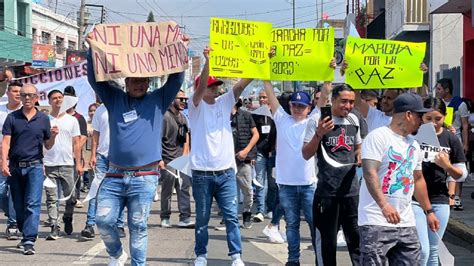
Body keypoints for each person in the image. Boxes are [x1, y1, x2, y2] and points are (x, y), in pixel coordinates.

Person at [86, 33, 186, 265]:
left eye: (143, 81)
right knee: (103, 221)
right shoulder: (114, 99)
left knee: (138, 226)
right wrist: (91, 50)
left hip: (145, 176)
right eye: (134, 80)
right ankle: (116, 253)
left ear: (149, 83)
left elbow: (176, 79)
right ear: (126, 82)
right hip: (114, 174)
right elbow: (94, 79)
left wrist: (179, 48)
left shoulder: (158, 99)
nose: (139, 84)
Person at [359, 93, 440, 264]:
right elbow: (369, 173)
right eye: (420, 116)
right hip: (376, 220)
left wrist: (429, 211)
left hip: (406, 221)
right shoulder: (378, 137)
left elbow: (417, 179)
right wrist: (384, 205)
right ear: (408, 114)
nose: (422, 121)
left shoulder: (414, 144)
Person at [190, 47, 252, 266]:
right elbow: (200, 87)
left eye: (218, 86)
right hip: (202, 174)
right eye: (212, 86)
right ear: (201, 87)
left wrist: (261, 63)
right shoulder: (194, 104)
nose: (217, 89)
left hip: (226, 172)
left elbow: (241, 85)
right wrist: (208, 62)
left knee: (231, 217)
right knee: (202, 218)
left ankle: (236, 255)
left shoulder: (225, 102)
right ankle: (201, 255)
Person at [302, 84, 362, 266]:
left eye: (351, 102)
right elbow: (305, 154)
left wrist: (359, 154)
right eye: (344, 101)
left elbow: (358, 146)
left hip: (352, 193)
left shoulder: (353, 120)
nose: (348, 106)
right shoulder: (317, 120)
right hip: (327, 194)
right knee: (327, 245)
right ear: (333, 100)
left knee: (357, 243)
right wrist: (319, 133)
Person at [264, 80, 316, 266]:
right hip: (286, 184)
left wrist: (329, 75)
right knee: (292, 225)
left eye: (301, 106)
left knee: (313, 224)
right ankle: (293, 259)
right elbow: (270, 95)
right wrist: (265, 75)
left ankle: (320, 258)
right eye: (294, 105)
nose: (297, 109)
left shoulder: (313, 120)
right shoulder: (282, 119)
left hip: (308, 184)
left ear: (309, 108)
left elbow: (325, 96)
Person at [2, 84, 58, 255]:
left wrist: (53, 136)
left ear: (36, 98)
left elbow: (47, 144)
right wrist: (3, 162)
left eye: (30, 95)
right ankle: (23, 228)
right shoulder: (12, 117)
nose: (26, 98)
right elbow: (6, 142)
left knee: (32, 204)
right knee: (17, 206)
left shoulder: (43, 119)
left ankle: (28, 240)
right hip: (15, 167)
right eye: (24, 95)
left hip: (35, 166)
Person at [414, 97, 467, 265]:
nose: (433, 123)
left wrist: (447, 166)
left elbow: (461, 174)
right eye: (428, 118)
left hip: (439, 198)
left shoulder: (451, 139)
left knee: (434, 248)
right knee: (423, 249)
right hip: (414, 199)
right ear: (421, 117)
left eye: (438, 118)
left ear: (445, 117)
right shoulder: (412, 137)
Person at [80, 103, 126, 239]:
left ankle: (119, 224)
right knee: (95, 190)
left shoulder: (124, 105)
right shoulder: (100, 110)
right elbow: (96, 134)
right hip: (102, 156)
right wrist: (93, 155)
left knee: (120, 191)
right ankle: (89, 224)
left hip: (120, 156)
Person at [43, 90, 83, 239]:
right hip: (49, 164)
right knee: (51, 198)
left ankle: (67, 217)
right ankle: (54, 225)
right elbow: (42, 143)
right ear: (49, 101)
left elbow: (77, 143)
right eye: (54, 98)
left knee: (71, 198)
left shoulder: (72, 120)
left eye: (60, 98)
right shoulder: (45, 120)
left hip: (67, 164)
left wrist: (78, 163)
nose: (57, 100)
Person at [159, 90, 193, 228]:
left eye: (185, 99)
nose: (184, 102)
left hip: (181, 158)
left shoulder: (183, 118)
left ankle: (185, 217)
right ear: (172, 99)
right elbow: (158, 139)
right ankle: (165, 217)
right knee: (167, 190)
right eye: (181, 99)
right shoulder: (165, 117)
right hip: (167, 159)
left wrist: (185, 155)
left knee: (184, 188)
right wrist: (160, 159)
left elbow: (186, 137)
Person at [435, 78, 470, 210]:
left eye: (439, 89)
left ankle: (457, 197)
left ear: (447, 90)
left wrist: (465, 144)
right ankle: (447, 194)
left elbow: (465, 125)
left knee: (457, 168)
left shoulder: (460, 104)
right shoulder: (438, 104)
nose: (437, 92)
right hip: (439, 139)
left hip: (456, 139)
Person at [231, 100, 259, 229]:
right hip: (226, 160)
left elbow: (256, 135)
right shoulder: (220, 116)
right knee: (229, 192)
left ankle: (247, 213)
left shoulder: (246, 116)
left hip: (243, 159)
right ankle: (229, 217)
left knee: (247, 190)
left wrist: (247, 152)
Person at [0, 81, 22, 240]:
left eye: (20, 92)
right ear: (7, 92)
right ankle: (10, 211)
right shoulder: (0, 110)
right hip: (1, 156)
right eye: (14, 91)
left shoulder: (25, 111)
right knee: (1, 191)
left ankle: (13, 224)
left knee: (14, 192)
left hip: (17, 158)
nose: (18, 94)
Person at [252, 90, 277, 223]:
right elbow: (253, 135)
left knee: (272, 183)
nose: (262, 100)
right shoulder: (255, 115)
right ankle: (260, 210)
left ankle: (270, 208)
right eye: (260, 97)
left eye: (264, 97)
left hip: (273, 153)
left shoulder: (277, 114)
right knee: (260, 181)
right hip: (260, 152)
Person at [63, 86, 88, 209]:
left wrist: (75, 150)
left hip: (74, 154)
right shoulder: (59, 116)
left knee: (75, 177)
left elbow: (83, 137)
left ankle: (76, 198)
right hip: (61, 154)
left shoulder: (79, 118)